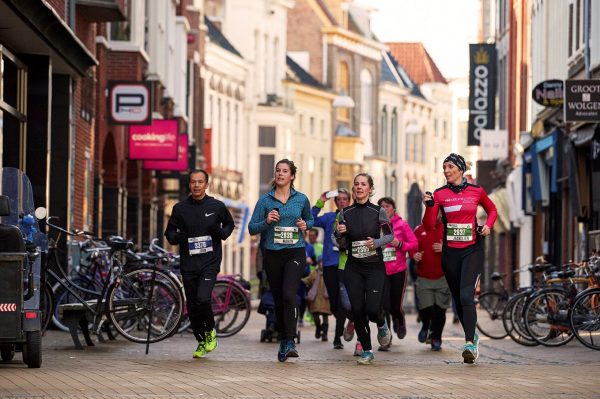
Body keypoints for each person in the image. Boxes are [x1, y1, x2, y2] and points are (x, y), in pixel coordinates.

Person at [422, 153, 497, 364]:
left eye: (450, 166)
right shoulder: (439, 194)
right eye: (444, 166)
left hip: (472, 249)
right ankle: (472, 336)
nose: (446, 170)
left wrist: (488, 226)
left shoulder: (476, 190)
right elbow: (428, 226)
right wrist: (429, 207)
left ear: (460, 169)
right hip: (450, 253)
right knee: (458, 297)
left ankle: (470, 345)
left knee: (466, 296)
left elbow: (492, 209)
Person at [164, 169, 235, 359]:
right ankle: (201, 340)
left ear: (206, 184)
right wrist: (178, 237)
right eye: (193, 182)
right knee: (193, 305)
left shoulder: (217, 206)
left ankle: (211, 332)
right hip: (189, 263)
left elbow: (229, 225)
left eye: (200, 182)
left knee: (203, 299)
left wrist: (220, 233)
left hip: (210, 262)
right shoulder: (180, 208)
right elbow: (169, 234)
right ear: (189, 185)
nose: (196, 185)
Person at [248, 159, 314, 362]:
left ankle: (290, 341)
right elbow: (252, 228)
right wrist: (267, 221)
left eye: (285, 171)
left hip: (295, 252)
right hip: (272, 253)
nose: (280, 174)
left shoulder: (301, 199)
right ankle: (284, 339)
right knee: (278, 300)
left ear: (292, 176)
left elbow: (310, 220)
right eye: (278, 171)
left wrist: (305, 225)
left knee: (288, 295)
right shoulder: (265, 201)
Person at [334, 173, 394, 365]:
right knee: (357, 310)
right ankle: (367, 350)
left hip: (374, 267)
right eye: (356, 184)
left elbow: (390, 235)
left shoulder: (378, 211)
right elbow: (339, 241)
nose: (359, 187)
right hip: (353, 267)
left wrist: (375, 242)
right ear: (354, 189)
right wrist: (339, 232)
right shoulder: (346, 212)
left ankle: (382, 323)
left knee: (373, 309)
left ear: (370, 189)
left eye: (363, 184)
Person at [377, 197, 418, 351]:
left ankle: (399, 320)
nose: (384, 208)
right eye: (381, 206)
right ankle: (386, 339)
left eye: (387, 206)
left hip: (398, 270)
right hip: (380, 271)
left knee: (395, 306)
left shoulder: (401, 224)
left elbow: (414, 243)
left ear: (393, 209)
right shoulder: (376, 225)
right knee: (383, 306)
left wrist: (399, 244)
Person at [312, 188, 351, 349]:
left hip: (346, 264)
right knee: (334, 303)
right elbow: (311, 221)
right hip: (329, 264)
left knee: (343, 302)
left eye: (344, 199)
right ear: (335, 202)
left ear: (349, 201)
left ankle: (337, 338)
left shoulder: (353, 217)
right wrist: (321, 201)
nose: (342, 201)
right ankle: (350, 320)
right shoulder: (329, 218)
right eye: (339, 199)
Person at [413, 212, 450, 351]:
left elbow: (458, 249)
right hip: (424, 277)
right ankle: (425, 325)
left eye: (437, 212)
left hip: (443, 277)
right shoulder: (419, 230)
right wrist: (414, 255)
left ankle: (436, 337)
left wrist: (445, 248)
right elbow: (412, 247)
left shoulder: (448, 229)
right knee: (426, 309)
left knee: (440, 311)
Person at [302, 263, 331, 341]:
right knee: (315, 317)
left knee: (325, 317)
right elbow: (308, 279)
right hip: (315, 299)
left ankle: (325, 334)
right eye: (320, 262)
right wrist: (301, 280)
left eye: (323, 262)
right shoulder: (314, 272)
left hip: (326, 299)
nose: (322, 264)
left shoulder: (329, 272)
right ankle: (318, 328)